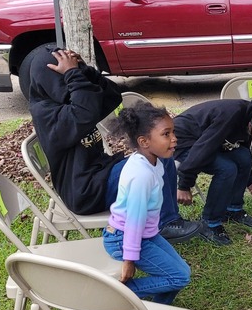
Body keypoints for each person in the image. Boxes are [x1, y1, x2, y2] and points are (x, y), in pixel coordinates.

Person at [25, 44, 198, 243]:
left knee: (158, 153)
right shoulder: (46, 113)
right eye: (62, 75)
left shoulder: (63, 104)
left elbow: (112, 97)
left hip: (99, 175)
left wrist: (85, 71)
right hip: (85, 191)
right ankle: (166, 223)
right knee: (155, 156)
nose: (66, 80)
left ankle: (166, 219)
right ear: (48, 78)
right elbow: (85, 111)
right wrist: (73, 74)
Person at [102, 102, 191, 305]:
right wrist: (129, 260)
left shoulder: (152, 161)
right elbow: (134, 220)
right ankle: (117, 293)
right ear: (144, 141)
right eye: (166, 134)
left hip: (145, 235)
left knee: (182, 272)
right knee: (179, 277)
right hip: (123, 239)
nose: (174, 139)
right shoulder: (140, 175)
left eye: (173, 132)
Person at [173, 95, 252, 246]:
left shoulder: (248, 120)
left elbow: (241, 148)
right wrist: (184, 184)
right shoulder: (231, 115)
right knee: (226, 169)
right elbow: (204, 148)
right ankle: (209, 223)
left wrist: (251, 179)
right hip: (185, 142)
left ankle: (232, 209)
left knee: (245, 157)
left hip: (207, 142)